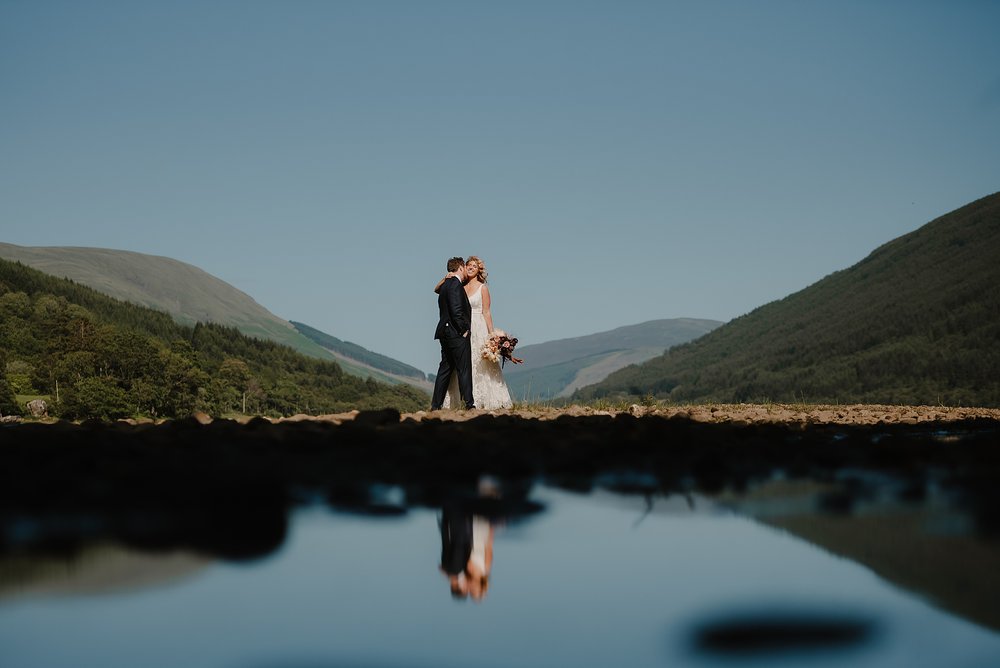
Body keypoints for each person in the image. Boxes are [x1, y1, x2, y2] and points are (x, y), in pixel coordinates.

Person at [434, 256, 517, 410]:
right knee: (461, 365)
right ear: (463, 268)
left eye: (474, 266)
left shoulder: (482, 288)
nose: (471, 267)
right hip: (461, 328)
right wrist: (445, 277)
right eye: (469, 265)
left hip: (478, 328)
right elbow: (439, 290)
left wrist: (492, 335)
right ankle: (461, 401)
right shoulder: (459, 285)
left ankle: (482, 399)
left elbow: (486, 312)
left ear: (479, 270)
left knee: (479, 363)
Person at [431, 257, 475, 410]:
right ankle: (469, 405)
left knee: (445, 369)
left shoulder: (445, 286)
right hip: (455, 333)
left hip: (444, 331)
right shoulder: (455, 285)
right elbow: (457, 311)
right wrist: (464, 330)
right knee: (464, 369)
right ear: (461, 267)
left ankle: (435, 406)